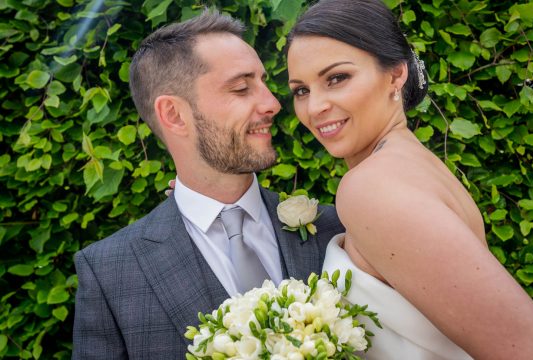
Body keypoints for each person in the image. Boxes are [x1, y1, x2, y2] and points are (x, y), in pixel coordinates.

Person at [71, 11, 344, 359]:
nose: (273, 104)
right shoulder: (111, 271)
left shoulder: (336, 229)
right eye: (242, 87)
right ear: (173, 114)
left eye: (264, 82)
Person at [285, 0, 533, 359]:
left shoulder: (371, 186)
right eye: (301, 90)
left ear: (396, 75)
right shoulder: (415, 165)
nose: (314, 107)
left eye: (337, 78)